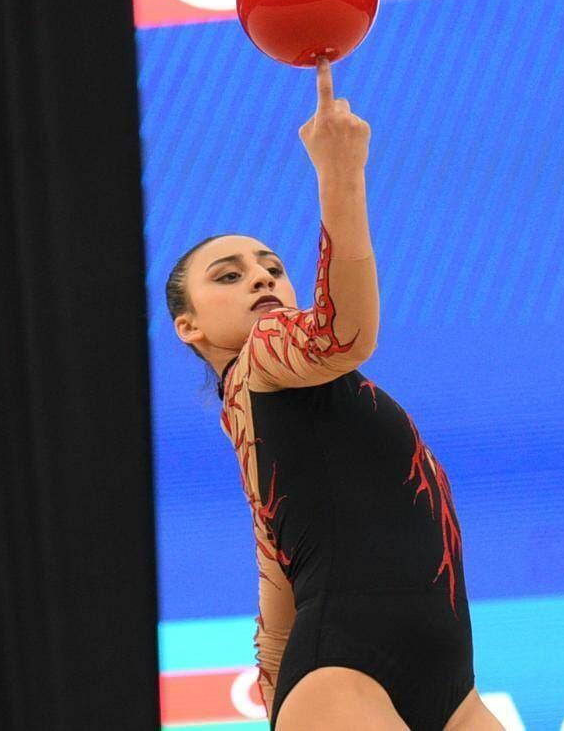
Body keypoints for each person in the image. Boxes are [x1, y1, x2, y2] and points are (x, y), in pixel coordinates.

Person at [166, 58, 503, 730]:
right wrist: (340, 172)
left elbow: (276, 613)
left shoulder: (261, 434)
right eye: (228, 276)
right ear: (189, 326)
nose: (261, 279)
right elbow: (343, 332)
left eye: (272, 267)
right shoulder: (263, 355)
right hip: (343, 680)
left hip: (450, 691)